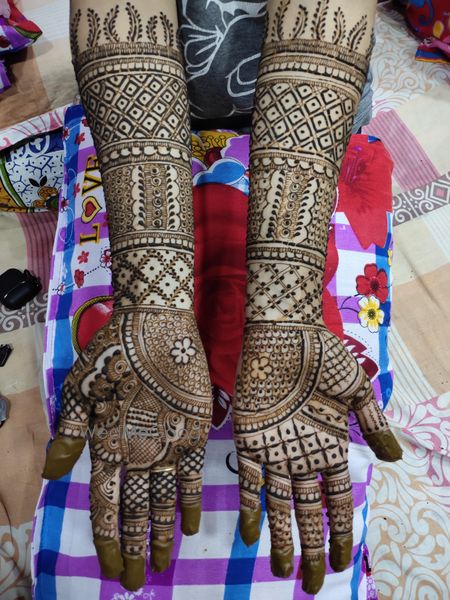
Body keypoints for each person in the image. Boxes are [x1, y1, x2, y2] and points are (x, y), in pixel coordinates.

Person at [43, 0, 402, 593]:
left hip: (314, 135)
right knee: (110, 407)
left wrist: (286, 311)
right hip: (134, 123)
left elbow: (324, 19)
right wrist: (152, 301)